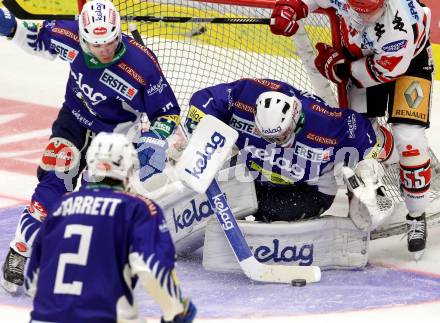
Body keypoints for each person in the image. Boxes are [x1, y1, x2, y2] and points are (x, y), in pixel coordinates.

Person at [0, 0, 180, 292]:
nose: (104, 50)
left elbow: (168, 112)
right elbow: (33, 36)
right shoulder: (67, 34)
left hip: (114, 136)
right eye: (96, 45)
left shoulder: (143, 66)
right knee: (55, 179)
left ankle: (80, 260)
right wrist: (10, 26)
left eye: (109, 42)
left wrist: (154, 138)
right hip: (74, 118)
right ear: (83, 37)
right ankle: (20, 249)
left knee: (94, 199)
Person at [269, 0, 433, 257]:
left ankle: (416, 215)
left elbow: (380, 72)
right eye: (360, 11)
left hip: (407, 63)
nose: (365, 17)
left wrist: (339, 69)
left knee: (410, 141)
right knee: (356, 134)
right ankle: (380, 181)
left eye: (371, 11)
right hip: (362, 57)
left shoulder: (397, 28)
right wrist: (292, 7)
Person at [24, 132, 196, 323]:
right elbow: (151, 268)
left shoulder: (59, 207)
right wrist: (176, 309)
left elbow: (32, 281)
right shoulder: (138, 208)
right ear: (128, 169)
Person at [183, 78, 381, 223]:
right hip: (257, 176)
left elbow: (368, 134)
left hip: (310, 191)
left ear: (295, 120)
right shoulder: (246, 95)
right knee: (223, 186)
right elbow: (205, 100)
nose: (275, 142)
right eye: (268, 137)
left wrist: (368, 162)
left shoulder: (325, 121)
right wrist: (197, 128)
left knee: (261, 207)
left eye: (281, 135)